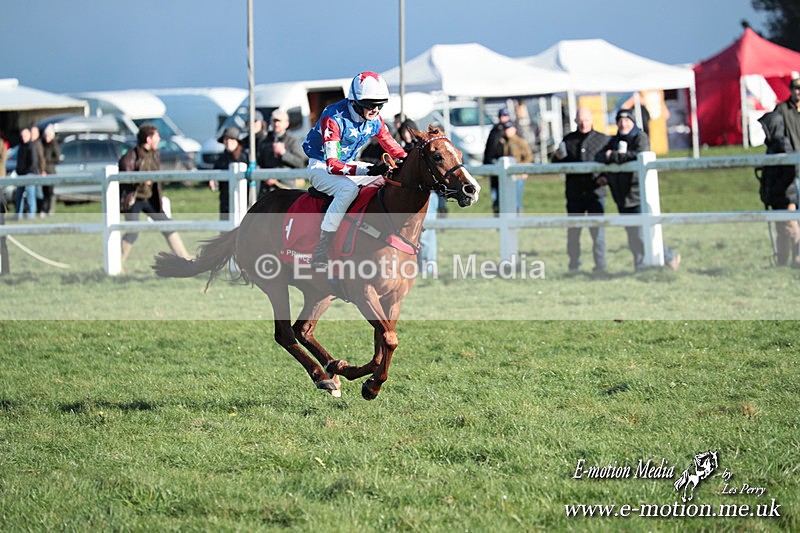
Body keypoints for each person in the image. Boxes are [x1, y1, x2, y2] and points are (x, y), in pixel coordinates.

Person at [302, 71, 407, 270]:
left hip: (348, 165)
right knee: (347, 190)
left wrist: (410, 160)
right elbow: (333, 165)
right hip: (321, 167)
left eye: (380, 105)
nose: (375, 110)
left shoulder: (376, 119)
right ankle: (322, 248)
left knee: (385, 181)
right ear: (355, 101)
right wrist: (367, 170)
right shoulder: (333, 117)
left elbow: (392, 146)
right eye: (370, 104)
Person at [600, 108, 680, 271]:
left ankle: (669, 257)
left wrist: (614, 156)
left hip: (637, 193)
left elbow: (640, 154)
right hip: (620, 195)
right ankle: (640, 265)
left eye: (627, 120)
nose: (623, 124)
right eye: (620, 121)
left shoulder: (640, 137)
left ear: (633, 121)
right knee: (632, 234)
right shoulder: (614, 140)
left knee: (643, 232)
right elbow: (600, 156)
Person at [118, 124, 192, 266]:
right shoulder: (130, 156)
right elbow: (125, 176)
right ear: (148, 139)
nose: (159, 139)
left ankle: (184, 257)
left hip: (149, 198)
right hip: (134, 199)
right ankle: (116, 264)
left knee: (167, 225)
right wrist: (141, 180)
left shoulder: (155, 153)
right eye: (156, 136)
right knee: (133, 232)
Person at [553, 107, 610, 272]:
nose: (583, 123)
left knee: (597, 232)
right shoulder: (568, 140)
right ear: (575, 121)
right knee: (574, 232)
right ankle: (574, 265)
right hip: (575, 193)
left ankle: (600, 266)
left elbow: (610, 164)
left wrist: (605, 178)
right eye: (580, 120)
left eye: (586, 120)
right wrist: (557, 157)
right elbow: (556, 163)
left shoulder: (603, 140)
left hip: (595, 192)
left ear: (592, 120)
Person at [758, 77, 800, 266]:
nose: (798, 91)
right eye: (796, 88)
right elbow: (777, 138)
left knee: (788, 221)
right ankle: (787, 260)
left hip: (791, 170)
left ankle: (791, 259)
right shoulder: (781, 111)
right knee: (787, 220)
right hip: (789, 170)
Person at [257, 109, 307, 195]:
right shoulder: (264, 141)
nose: (276, 124)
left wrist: (284, 153)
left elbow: (301, 163)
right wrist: (265, 176)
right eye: (274, 121)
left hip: (286, 189)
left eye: (279, 121)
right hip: (267, 191)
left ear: (287, 123)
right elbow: (258, 163)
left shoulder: (292, 141)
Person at [213, 126, 249, 220]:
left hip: (243, 199)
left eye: (232, 139)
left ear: (237, 141)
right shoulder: (221, 158)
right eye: (226, 139)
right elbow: (214, 174)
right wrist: (213, 181)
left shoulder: (245, 157)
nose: (228, 142)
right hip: (225, 200)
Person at [483, 107, 513, 214]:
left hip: (508, 165)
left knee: (508, 196)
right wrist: (486, 163)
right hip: (493, 164)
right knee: (495, 193)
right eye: (501, 116)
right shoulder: (495, 130)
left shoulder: (512, 130)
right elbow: (489, 149)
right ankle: (497, 215)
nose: (502, 118)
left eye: (504, 115)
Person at [500, 121, 533, 214]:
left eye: (509, 129)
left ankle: (518, 219)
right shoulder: (503, 141)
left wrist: (524, 170)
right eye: (506, 129)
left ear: (514, 129)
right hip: (507, 175)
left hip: (518, 175)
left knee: (516, 200)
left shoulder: (520, 142)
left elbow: (528, 157)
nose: (507, 131)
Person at [14, 127, 39, 219]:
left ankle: (31, 214)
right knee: (19, 195)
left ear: (29, 136)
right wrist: (18, 171)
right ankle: (18, 215)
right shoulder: (21, 146)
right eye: (22, 136)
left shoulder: (31, 146)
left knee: (30, 194)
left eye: (25, 136)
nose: (23, 137)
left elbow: (33, 162)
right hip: (21, 175)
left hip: (29, 174)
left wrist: (26, 171)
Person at [39, 124, 60, 216]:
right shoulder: (43, 143)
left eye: (48, 135)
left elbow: (57, 158)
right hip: (44, 171)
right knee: (44, 192)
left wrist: (48, 160)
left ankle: (49, 209)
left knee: (50, 192)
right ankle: (44, 209)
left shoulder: (54, 144)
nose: (46, 137)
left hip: (51, 171)